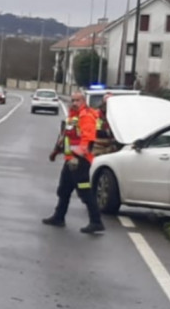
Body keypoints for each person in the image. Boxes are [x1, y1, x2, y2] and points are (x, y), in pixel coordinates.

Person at [43, 90, 105, 234]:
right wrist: (56, 151)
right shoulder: (73, 116)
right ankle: (59, 217)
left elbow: (87, 140)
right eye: (73, 100)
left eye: (77, 100)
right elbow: (66, 137)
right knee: (63, 190)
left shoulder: (86, 116)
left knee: (85, 192)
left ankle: (96, 222)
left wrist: (78, 156)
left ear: (83, 101)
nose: (74, 103)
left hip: (80, 162)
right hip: (71, 160)